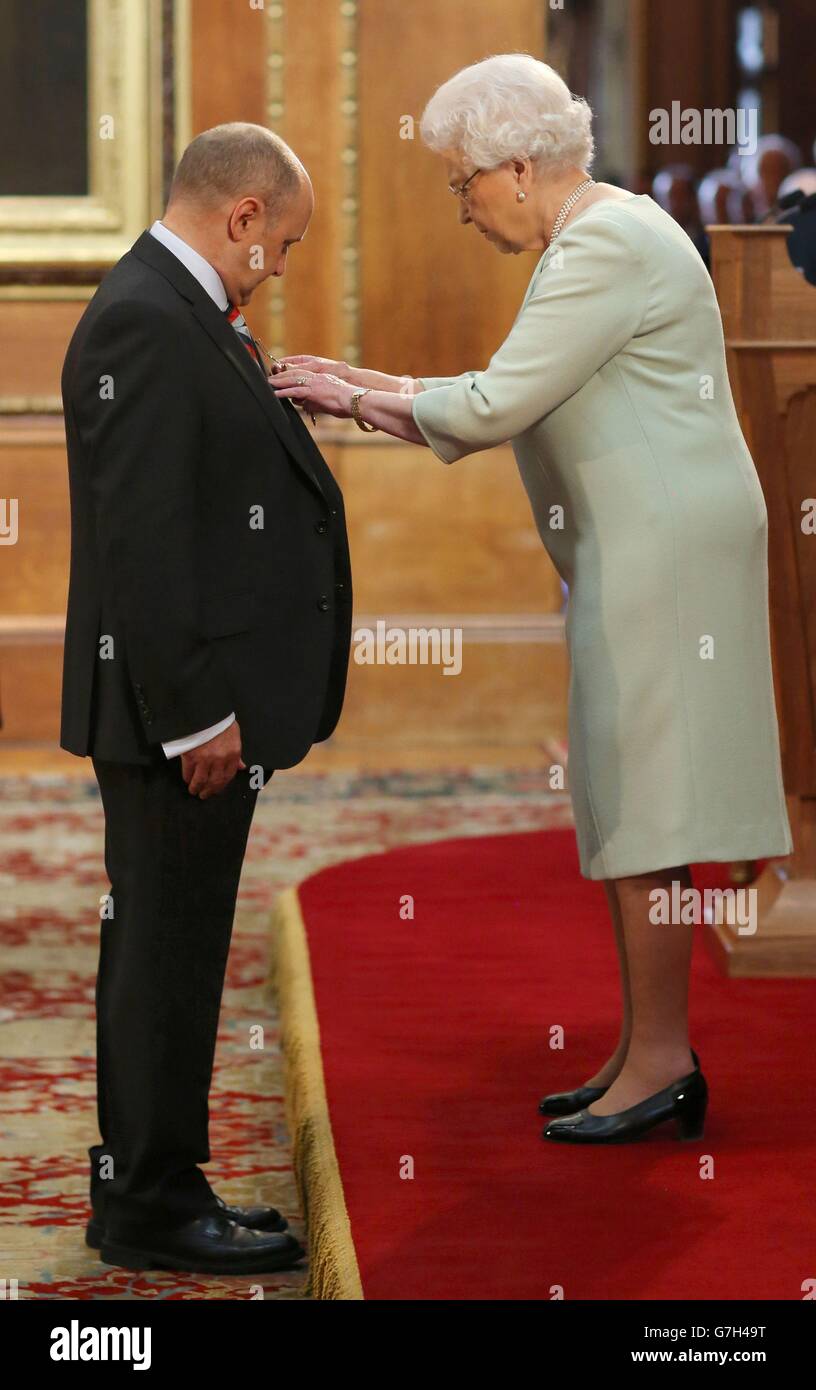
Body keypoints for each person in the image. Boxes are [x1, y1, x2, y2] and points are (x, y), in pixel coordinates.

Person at [272, 55, 793, 1146]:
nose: (462, 212)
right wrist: (360, 382)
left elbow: (499, 399)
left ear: (516, 168)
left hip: (666, 553)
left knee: (652, 799)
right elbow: (506, 387)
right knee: (623, 787)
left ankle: (660, 1065)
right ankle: (642, 1052)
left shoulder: (605, 241)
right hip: (644, 544)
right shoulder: (602, 234)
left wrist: (354, 396)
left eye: (460, 185)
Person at [60, 122, 352, 1269]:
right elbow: (146, 549)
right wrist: (196, 716)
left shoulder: (180, 313)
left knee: (176, 950)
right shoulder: (145, 316)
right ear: (241, 218)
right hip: (172, 718)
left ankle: (167, 1183)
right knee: (161, 958)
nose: (274, 267)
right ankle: (146, 1205)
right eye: (277, 245)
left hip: (192, 710)